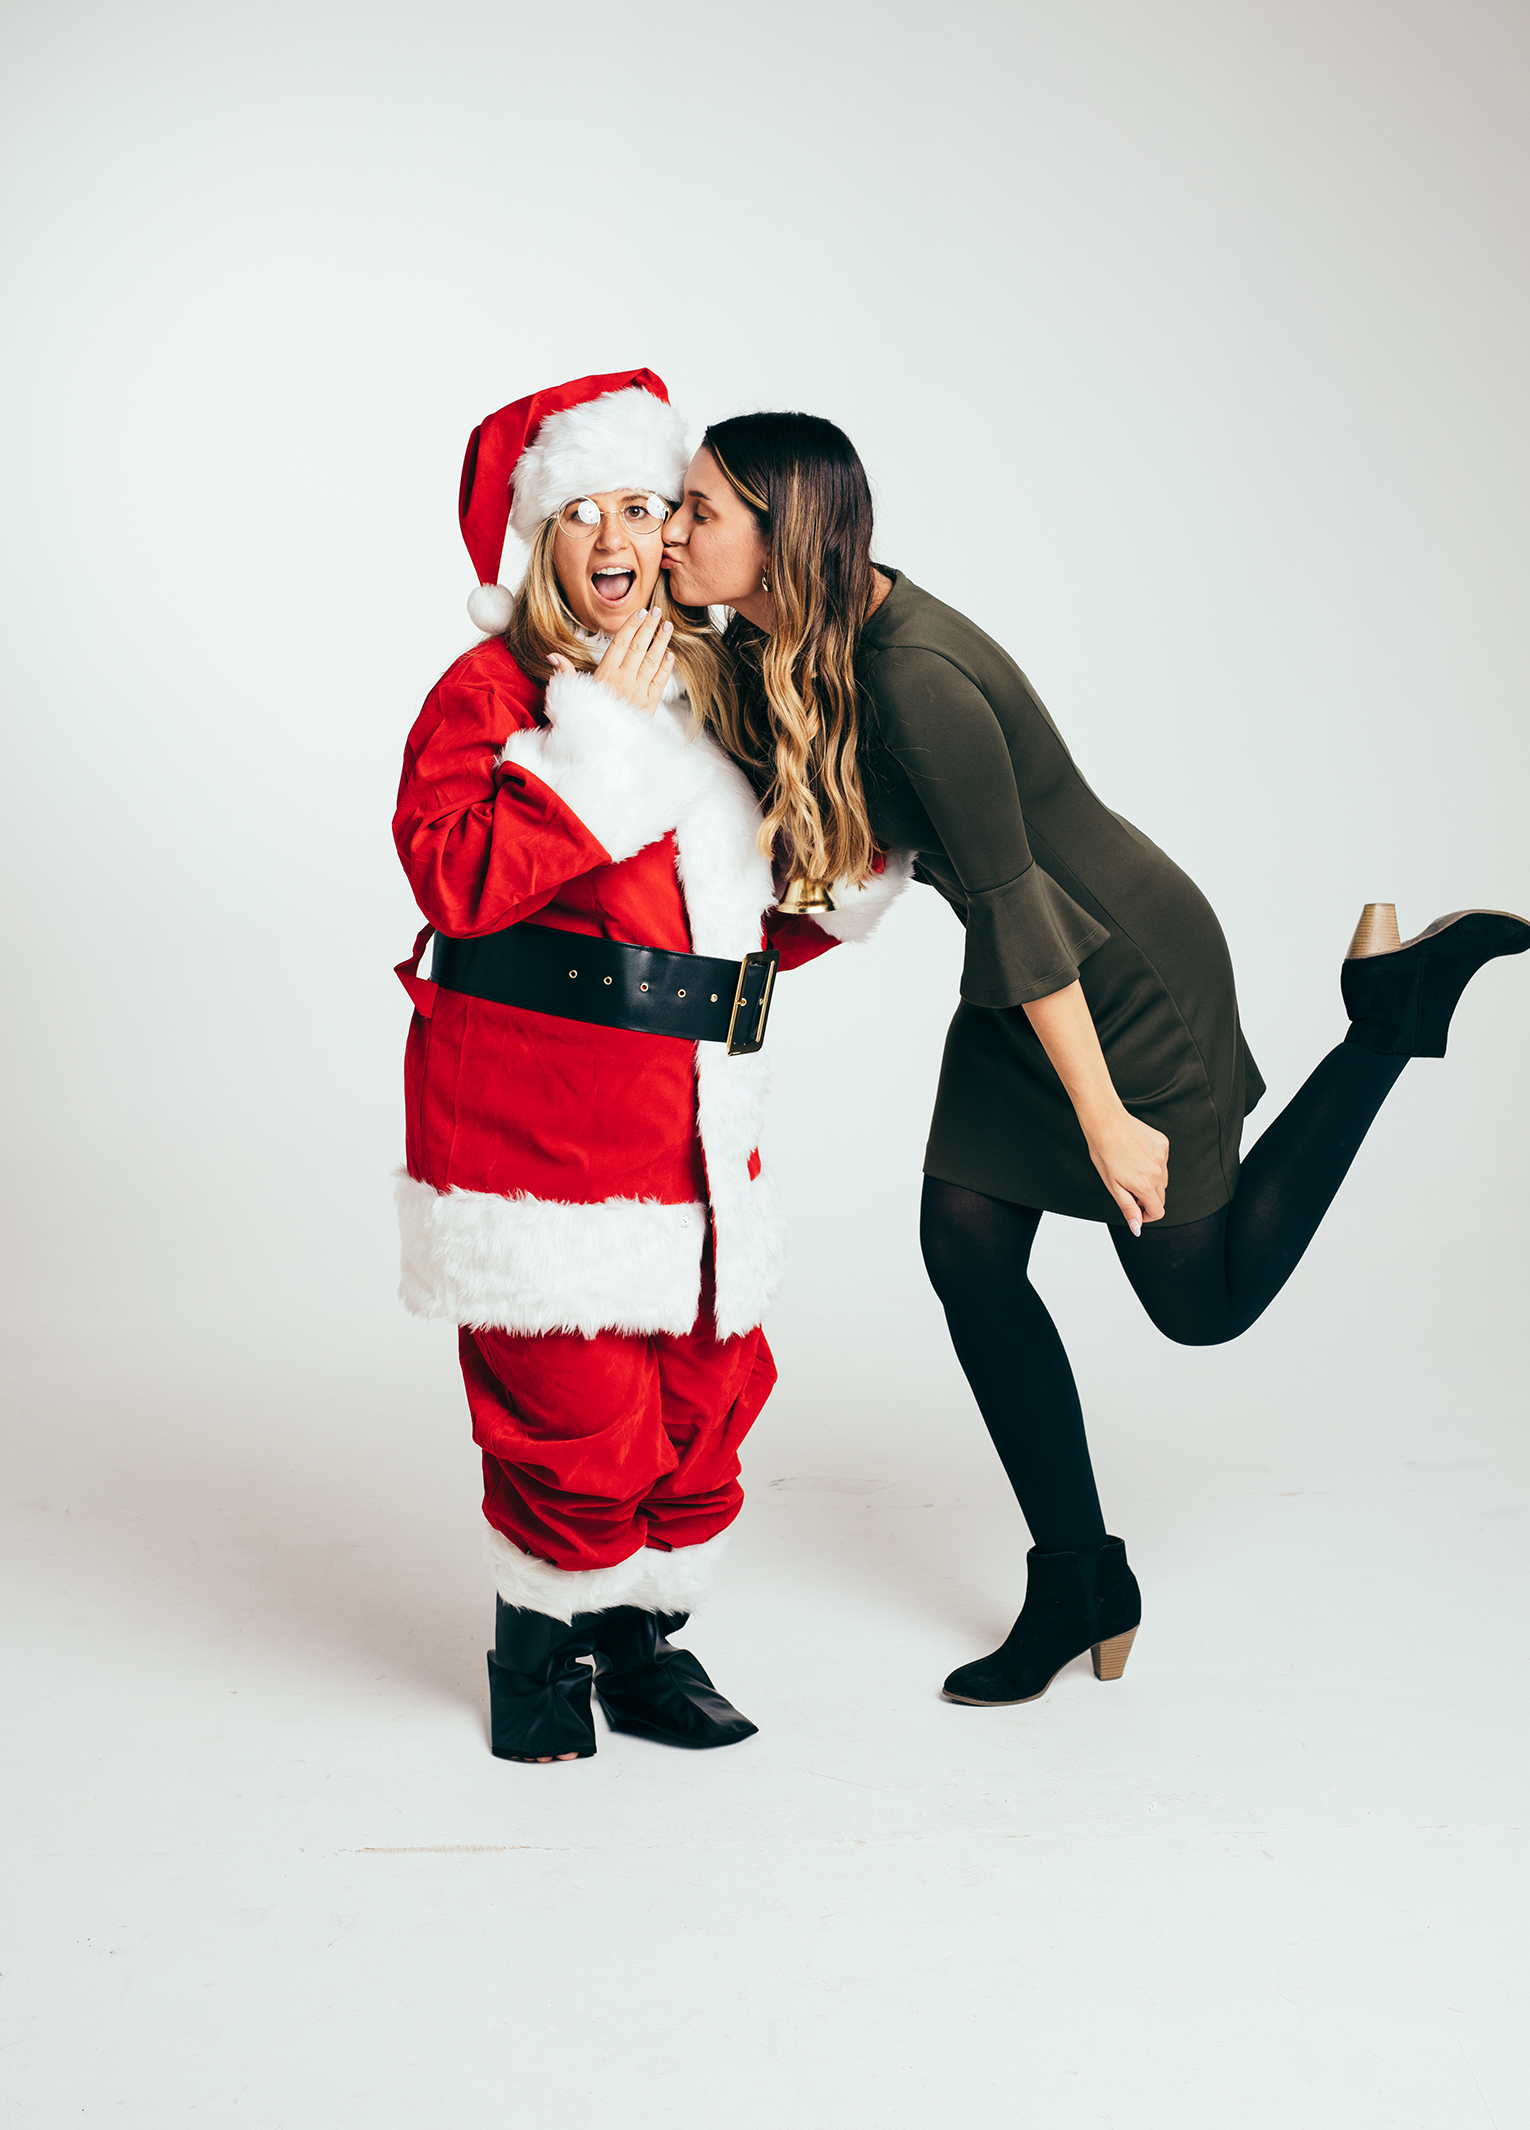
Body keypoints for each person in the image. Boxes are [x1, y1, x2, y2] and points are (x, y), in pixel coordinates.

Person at [659, 409, 1530, 1708]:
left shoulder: (914, 678)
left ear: (782, 537)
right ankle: (1079, 1577)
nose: (672, 532)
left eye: (698, 513)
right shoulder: (788, 637)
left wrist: (1108, 1116)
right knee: (964, 1248)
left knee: (1200, 1302)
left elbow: (1020, 904)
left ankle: (1387, 1020)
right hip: (1024, 976)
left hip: (1112, 972)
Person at [392, 373, 904, 1764]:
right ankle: (534, 1652)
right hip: (536, 1131)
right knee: (573, 1413)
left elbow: (713, 921)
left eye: (645, 505)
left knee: (701, 1404)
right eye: (585, 512)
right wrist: (597, 749)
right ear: (536, 539)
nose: (621, 537)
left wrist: (857, 872)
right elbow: (457, 874)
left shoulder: (705, 678)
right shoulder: (494, 690)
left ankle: (637, 1636)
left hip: (695, 1124)